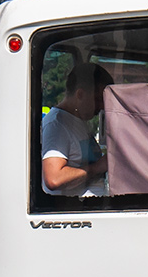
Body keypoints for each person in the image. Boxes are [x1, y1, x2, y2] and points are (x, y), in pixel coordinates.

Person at [41, 63, 113, 197]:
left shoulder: (77, 120)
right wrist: (98, 167)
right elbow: (53, 178)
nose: (102, 107)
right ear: (80, 94)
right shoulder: (57, 125)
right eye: (98, 100)